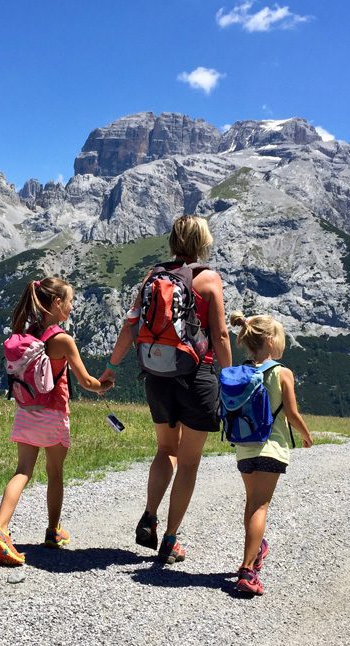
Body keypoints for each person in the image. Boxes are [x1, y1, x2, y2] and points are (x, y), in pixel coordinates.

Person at [100, 215, 231, 564]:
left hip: (157, 375)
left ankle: (150, 514)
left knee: (165, 450)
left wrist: (111, 368)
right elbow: (219, 336)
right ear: (203, 242)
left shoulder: (152, 277)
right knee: (188, 462)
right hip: (197, 377)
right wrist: (231, 379)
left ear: (173, 241)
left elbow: (130, 328)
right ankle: (170, 540)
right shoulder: (208, 280)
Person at [0, 277, 111, 566]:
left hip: (25, 412)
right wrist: (105, 383)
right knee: (55, 473)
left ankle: (0, 528)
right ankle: (53, 532)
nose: (71, 306)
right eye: (69, 301)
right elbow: (88, 382)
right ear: (56, 303)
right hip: (53, 414)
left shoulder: (27, 334)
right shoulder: (62, 340)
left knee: (22, 471)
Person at [227, 311, 313, 596]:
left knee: (252, 504)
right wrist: (305, 433)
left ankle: (256, 547)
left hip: (243, 448)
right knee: (261, 507)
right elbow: (291, 412)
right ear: (269, 340)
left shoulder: (241, 372)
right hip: (271, 448)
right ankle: (247, 569)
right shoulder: (282, 372)